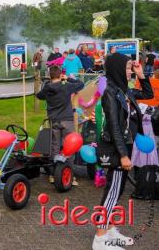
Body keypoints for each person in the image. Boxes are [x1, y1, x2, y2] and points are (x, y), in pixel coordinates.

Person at [91, 53, 152, 250]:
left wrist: (141, 74)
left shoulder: (123, 90)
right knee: (112, 191)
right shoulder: (110, 92)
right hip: (118, 150)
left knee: (117, 191)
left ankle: (109, 229)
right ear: (117, 68)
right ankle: (100, 239)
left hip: (125, 146)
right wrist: (124, 156)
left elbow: (148, 94)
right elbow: (115, 127)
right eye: (127, 68)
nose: (129, 71)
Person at [36, 66, 84, 184]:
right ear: (60, 75)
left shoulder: (48, 88)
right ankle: (69, 176)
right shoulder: (66, 85)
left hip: (54, 120)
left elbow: (39, 95)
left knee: (55, 147)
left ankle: (53, 174)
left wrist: (47, 83)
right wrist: (68, 79)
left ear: (50, 75)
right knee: (69, 147)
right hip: (67, 120)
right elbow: (81, 84)